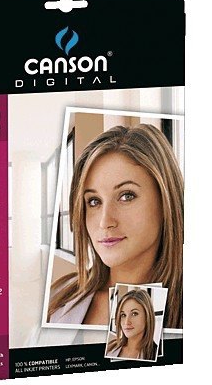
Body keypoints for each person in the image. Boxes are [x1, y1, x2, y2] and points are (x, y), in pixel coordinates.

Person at [47, 124, 183, 329]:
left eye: (127, 196)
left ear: (166, 200)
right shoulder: (60, 296)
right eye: (94, 201)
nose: (105, 222)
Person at [106, 289, 158, 361]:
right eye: (123, 315)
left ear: (147, 316)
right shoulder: (110, 347)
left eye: (134, 314)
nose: (126, 322)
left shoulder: (156, 353)